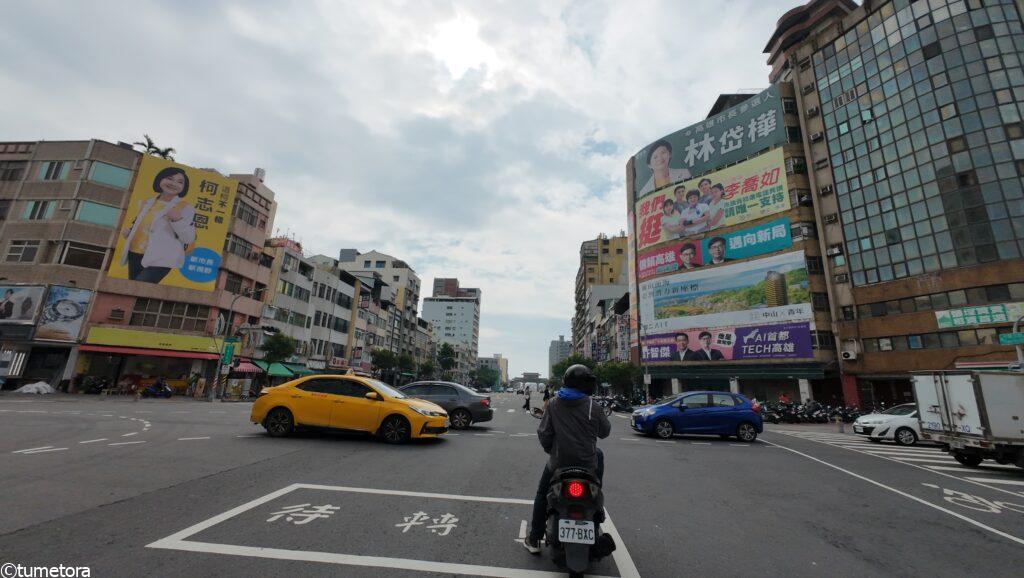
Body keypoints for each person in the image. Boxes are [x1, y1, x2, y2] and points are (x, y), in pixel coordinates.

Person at [524, 364, 611, 555]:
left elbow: (544, 433)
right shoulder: (592, 406)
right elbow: (605, 432)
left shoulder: (554, 404)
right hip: (587, 465)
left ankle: (534, 537)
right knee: (599, 454)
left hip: (558, 463)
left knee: (542, 495)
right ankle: (598, 506)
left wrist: (552, 450)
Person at [120, 166, 197, 284]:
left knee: (140, 286)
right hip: (135, 252)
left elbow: (188, 238)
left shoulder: (185, 208)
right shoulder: (145, 202)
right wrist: (131, 233)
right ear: (160, 179)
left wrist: (177, 219)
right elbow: (143, 225)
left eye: (180, 182)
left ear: (183, 187)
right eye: (170, 178)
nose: (174, 183)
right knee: (132, 289)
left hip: (162, 258)